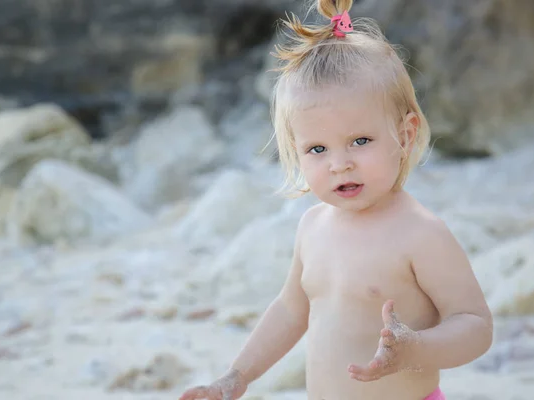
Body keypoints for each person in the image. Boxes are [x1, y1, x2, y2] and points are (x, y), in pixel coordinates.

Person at [178, 0, 493, 399]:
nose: (339, 165)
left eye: (360, 141)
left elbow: (475, 325)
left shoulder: (420, 233)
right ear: (295, 149)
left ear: (406, 134)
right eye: (317, 149)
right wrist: (236, 377)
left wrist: (418, 347)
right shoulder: (312, 226)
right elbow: (291, 311)